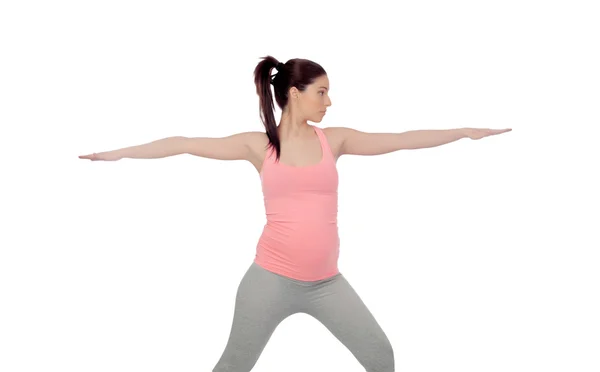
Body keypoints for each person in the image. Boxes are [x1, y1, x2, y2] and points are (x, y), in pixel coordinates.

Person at [80, 55, 511, 371]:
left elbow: (399, 139)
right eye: (321, 92)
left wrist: (462, 132)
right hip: (269, 281)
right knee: (233, 366)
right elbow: (183, 142)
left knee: (381, 356)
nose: (329, 101)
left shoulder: (335, 140)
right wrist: (116, 155)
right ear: (293, 93)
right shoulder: (258, 145)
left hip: (327, 284)